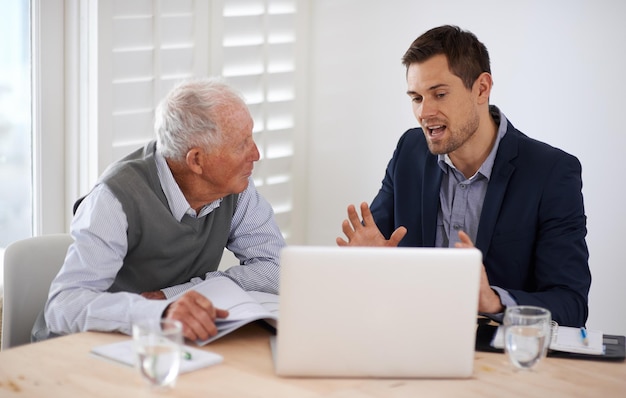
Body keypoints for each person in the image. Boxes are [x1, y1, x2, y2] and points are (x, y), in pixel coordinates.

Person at [336, 25, 591, 327]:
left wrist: (492, 300)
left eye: (439, 94)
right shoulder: (410, 151)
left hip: (498, 358)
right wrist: (365, 266)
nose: (424, 112)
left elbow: (571, 304)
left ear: (482, 89)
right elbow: (379, 248)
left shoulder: (550, 172)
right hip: (410, 338)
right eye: (416, 98)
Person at [35, 77, 286, 342]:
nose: (256, 154)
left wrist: (175, 296)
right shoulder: (114, 198)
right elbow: (63, 307)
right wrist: (159, 313)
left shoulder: (235, 188)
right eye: (241, 145)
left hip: (164, 343)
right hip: (85, 348)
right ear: (196, 160)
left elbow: (276, 268)